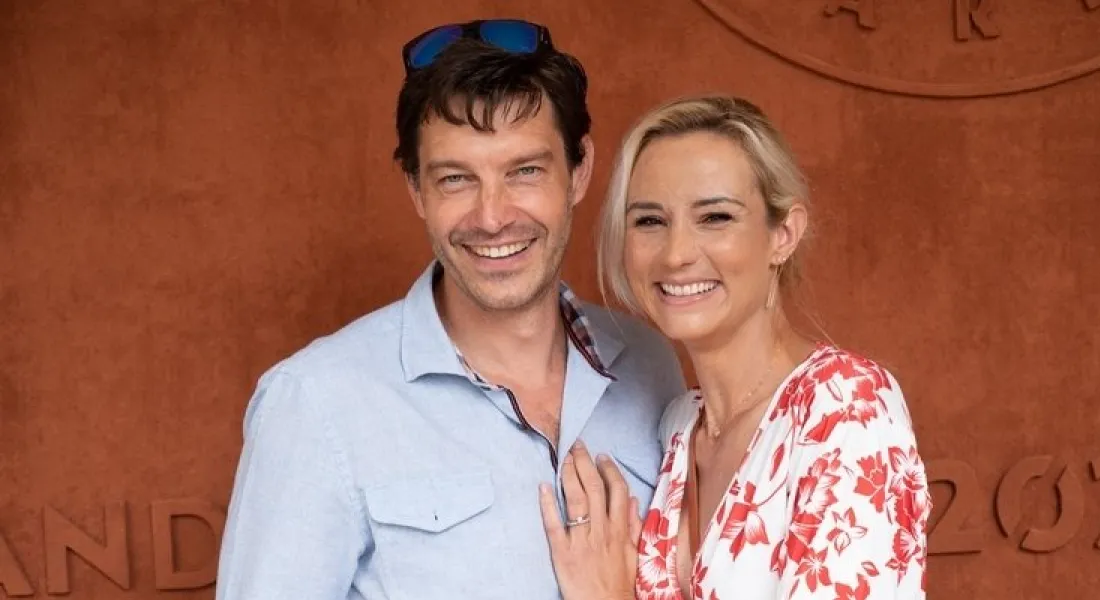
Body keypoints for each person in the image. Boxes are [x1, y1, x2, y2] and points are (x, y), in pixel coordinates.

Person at [214, 19, 686, 599]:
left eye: (525, 171)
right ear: (416, 189)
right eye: (456, 179)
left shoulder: (651, 364)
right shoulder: (313, 405)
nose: (492, 217)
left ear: (579, 170)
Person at [538, 95, 931, 599]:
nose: (676, 254)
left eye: (715, 217)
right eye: (650, 221)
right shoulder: (679, 425)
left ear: (782, 234)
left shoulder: (846, 407)